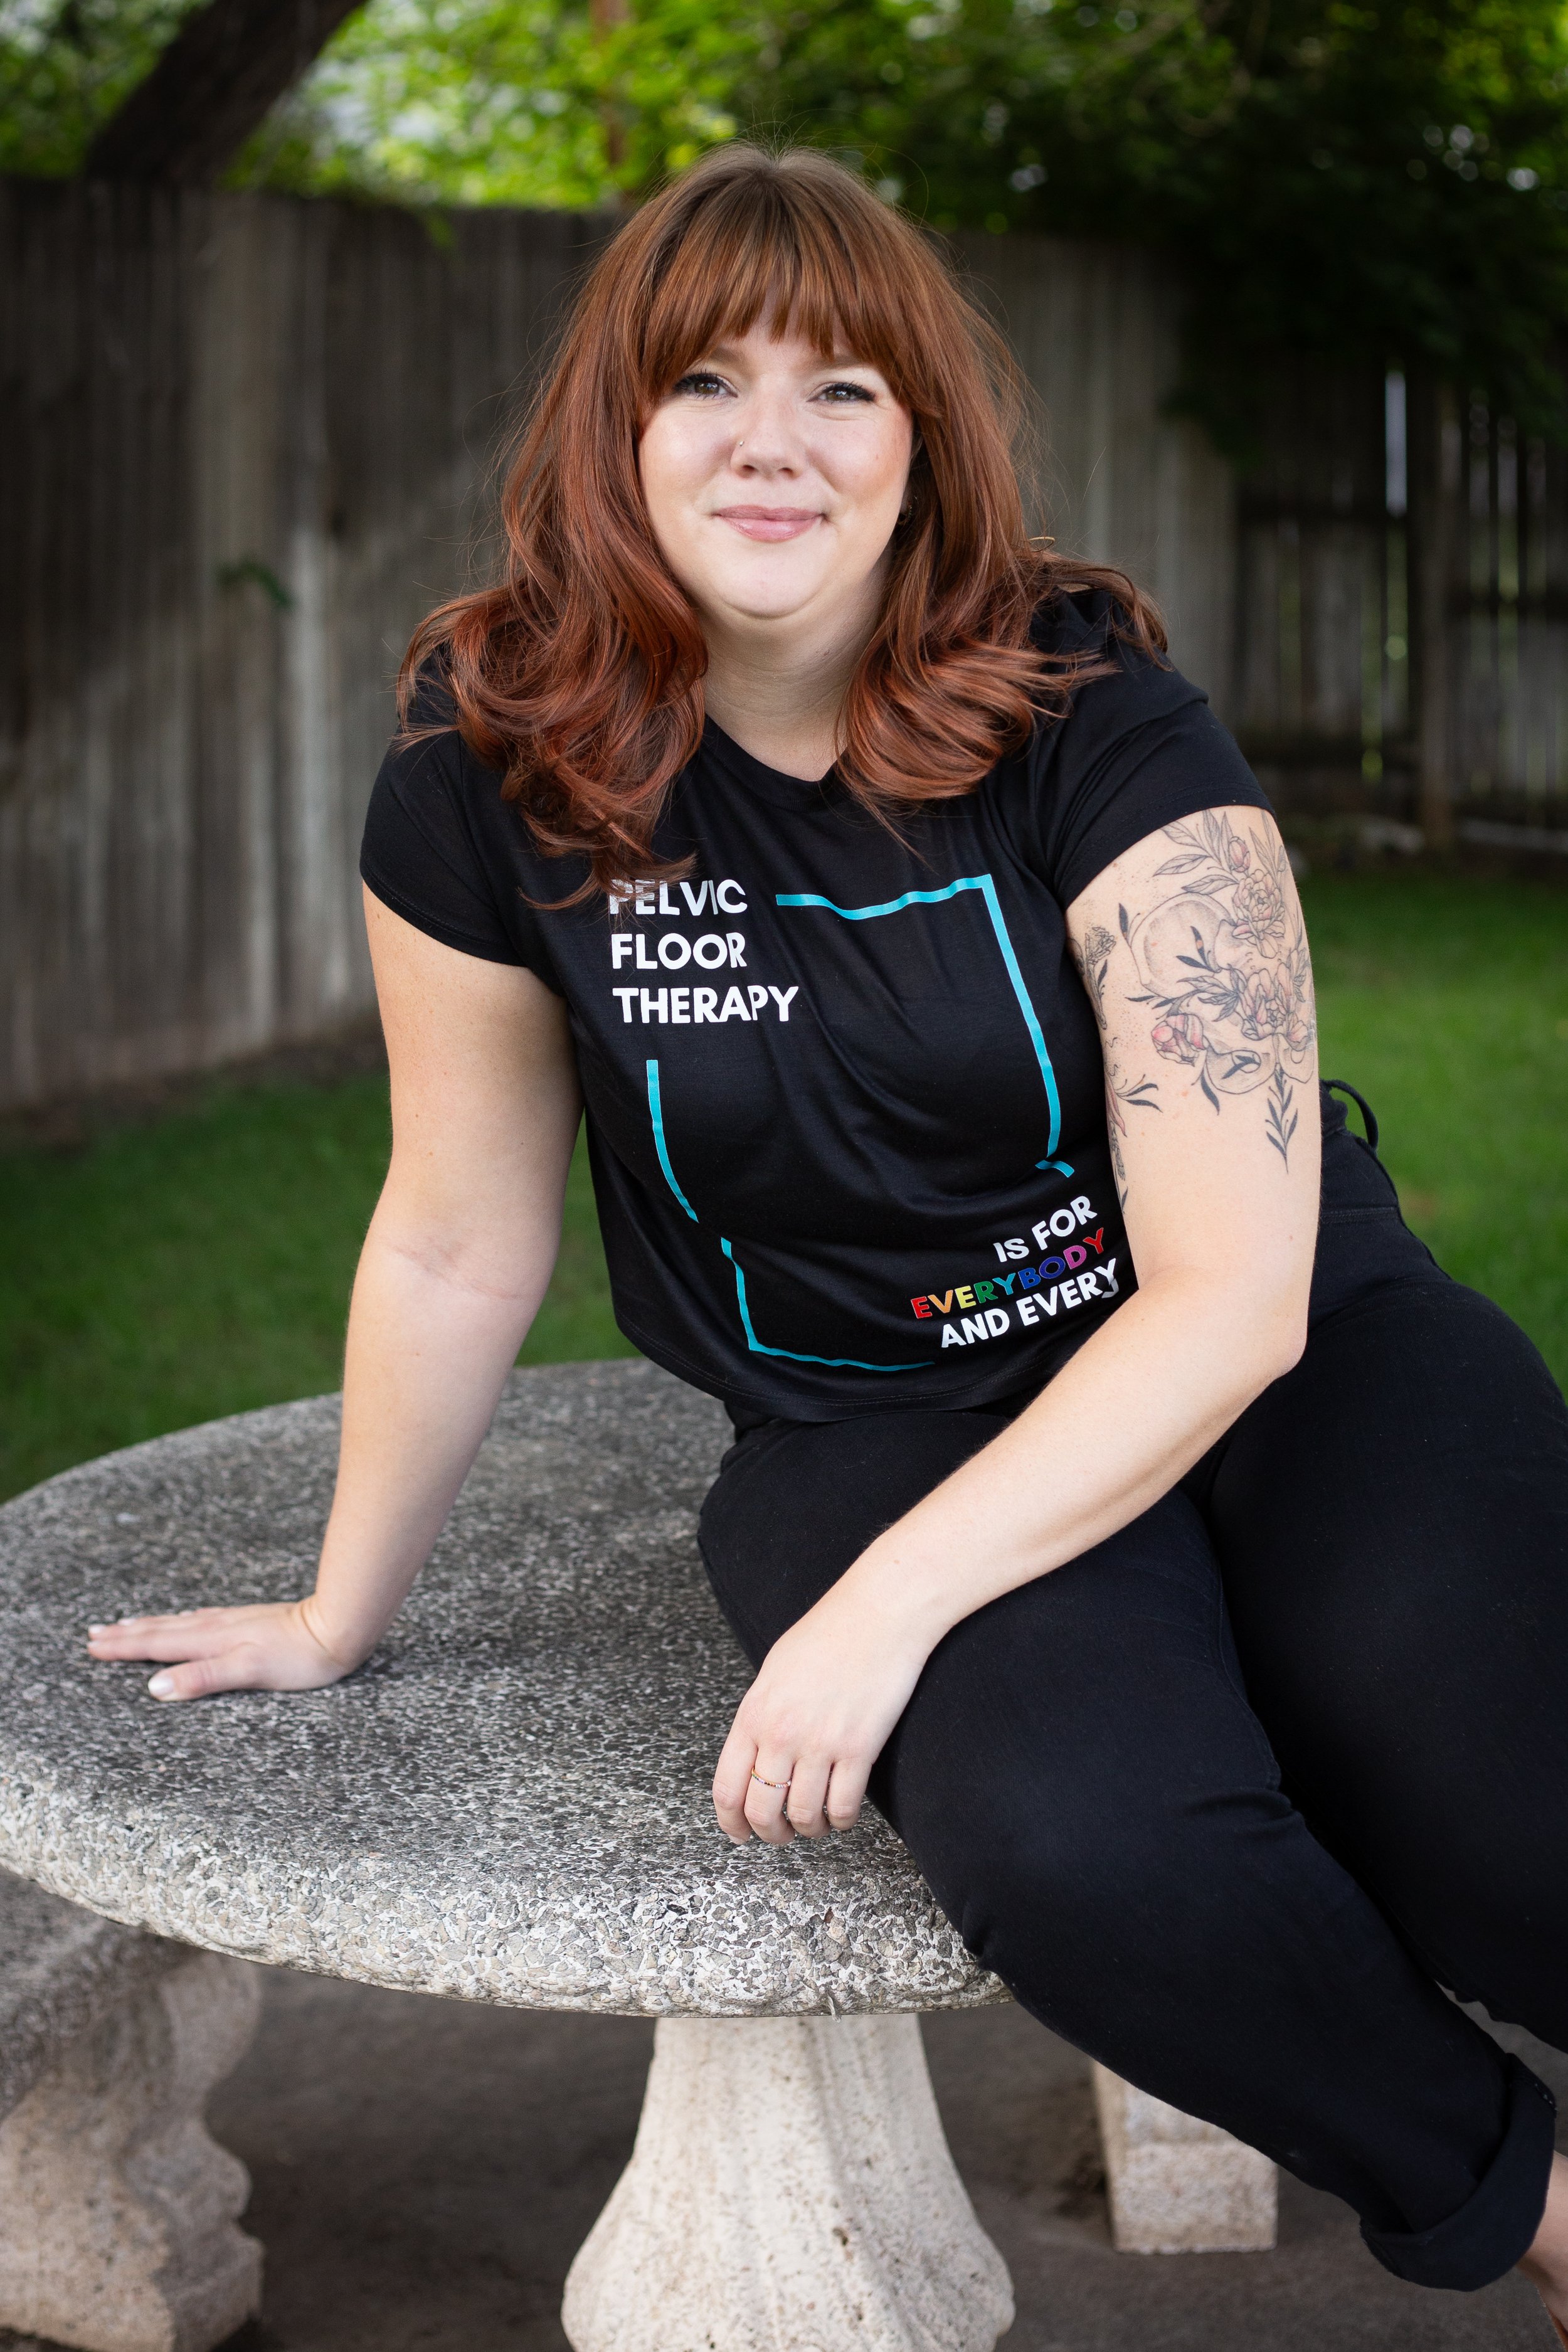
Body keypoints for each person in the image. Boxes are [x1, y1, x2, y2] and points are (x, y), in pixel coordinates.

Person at [87, 145, 1568, 2328]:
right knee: (1088, 1850)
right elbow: (449, 1235)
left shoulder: (1103, 725)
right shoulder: (490, 783)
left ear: (923, 445)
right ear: (617, 431)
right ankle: (1534, 2216)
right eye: (704, 382)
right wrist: (334, 1606)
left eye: (843, 386)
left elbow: (1234, 1291)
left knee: (1498, 1800)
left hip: (1275, 1345)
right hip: (868, 1403)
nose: (771, 438)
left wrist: (878, 1618)